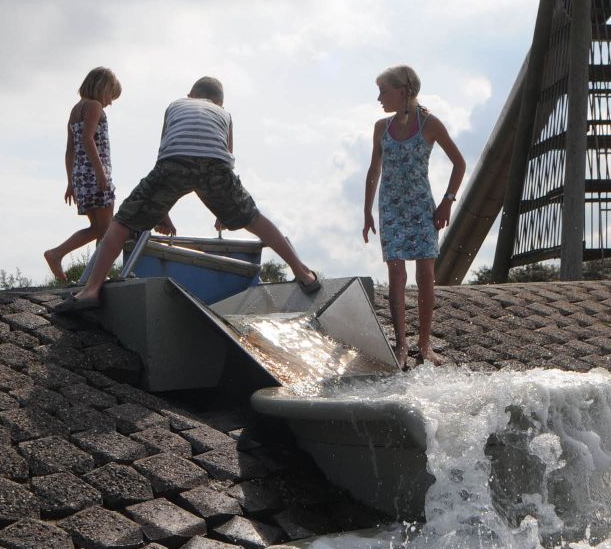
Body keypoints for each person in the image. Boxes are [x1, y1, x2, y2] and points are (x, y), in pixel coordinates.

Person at [57, 76, 320, 311]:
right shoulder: (223, 114)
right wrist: (225, 212)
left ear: (191, 94)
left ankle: (91, 290)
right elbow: (227, 159)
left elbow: (163, 154)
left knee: (122, 222)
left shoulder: (175, 105)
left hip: (173, 162)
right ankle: (304, 273)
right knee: (254, 219)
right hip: (216, 166)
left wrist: (160, 209)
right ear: (220, 102)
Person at [362, 65, 466, 369]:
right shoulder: (381, 127)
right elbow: (374, 171)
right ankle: (401, 344)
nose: (379, 97)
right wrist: (367, 211)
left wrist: (447, 203)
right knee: (396, 275)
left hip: (422, 208)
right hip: (391, 209)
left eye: (384, 91)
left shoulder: (430, 124)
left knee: (425, 276)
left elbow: (459, 163)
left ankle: (424, 344)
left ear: (403, 91)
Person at [43, 67, 121, 282]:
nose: (109, 102)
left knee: (98, 228)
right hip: (95, 174)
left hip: (81, 175)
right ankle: (64, 257)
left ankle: (89, 270)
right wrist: (100, 173)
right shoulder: (94, 106)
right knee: (107, 229)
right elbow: (87, 139)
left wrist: (70, 181)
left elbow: (70, 149)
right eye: (110, 96)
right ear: (101, 88)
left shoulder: (76, 109)